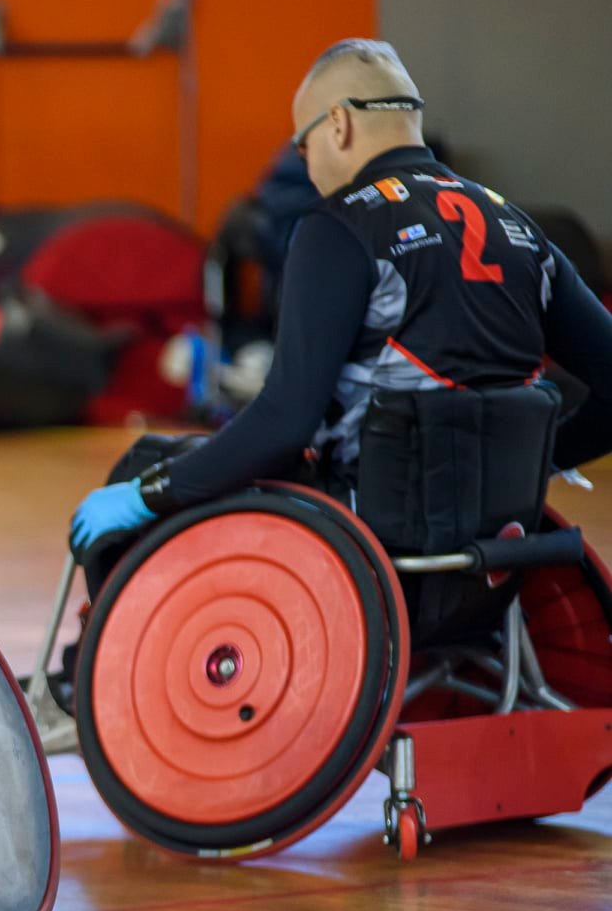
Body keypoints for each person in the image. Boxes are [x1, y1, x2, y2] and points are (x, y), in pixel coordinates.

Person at [70, 38, 612, 551]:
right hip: (498, 539)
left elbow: (284, 424)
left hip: (371, 535)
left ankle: (97, 654)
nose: (307, 167)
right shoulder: (516, 225)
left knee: (144, 465)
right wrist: (533, 462)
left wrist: (148, 493)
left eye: (303, 148)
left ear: (338, 123)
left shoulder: (340, 225)